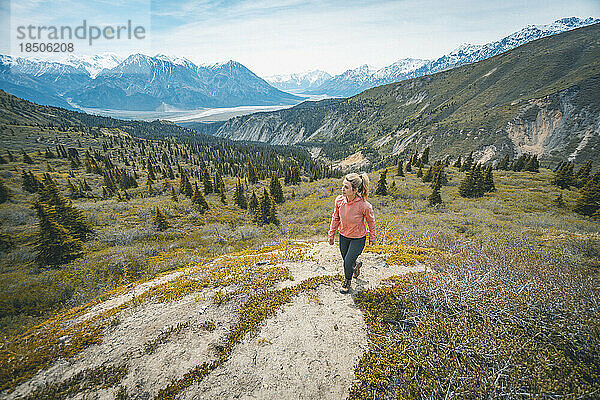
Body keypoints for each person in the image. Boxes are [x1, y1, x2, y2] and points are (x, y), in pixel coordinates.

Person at [328, 172, 376, 294]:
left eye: (346, 187)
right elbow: (336, 218)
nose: (342, 189)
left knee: (347, 262)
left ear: (355, 190)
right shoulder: (339, 201)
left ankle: (347, 281)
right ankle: (356, 265)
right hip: (343, 236)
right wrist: (331, 234)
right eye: (343, 186)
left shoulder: (365, 205)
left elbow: (371, 222)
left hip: (358, 239)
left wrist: (372, 236)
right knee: (347, 261)